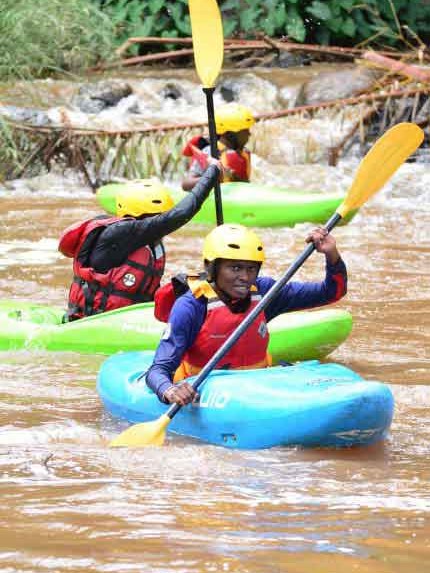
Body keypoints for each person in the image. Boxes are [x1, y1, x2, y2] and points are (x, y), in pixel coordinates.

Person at [146, 223, 347, 405]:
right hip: (209, 391)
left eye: (251, 269)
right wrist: (170, 391)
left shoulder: (264, 292)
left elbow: (331, 292)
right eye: (235, 268)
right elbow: (157, 371)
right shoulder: (191, 306)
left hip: (258, 385)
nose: (245, 277)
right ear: (212, 268)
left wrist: (332, 255)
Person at [58, 160, 222, 321]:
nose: (159, 223)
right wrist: (212, 171)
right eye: (155, 217)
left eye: (161, 214)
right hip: (92, 320)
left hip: (130, 318)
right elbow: (180, 215)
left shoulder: (151, 244)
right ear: (137, 216)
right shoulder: (118, 233)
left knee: (188, 283)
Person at [181, 103, 255, 191]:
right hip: (216, 200)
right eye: (245, 131)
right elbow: (186, 184)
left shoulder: (243, 152)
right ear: (230, 135)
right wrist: (213, 177)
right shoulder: (210, 152)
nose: (249, 134)